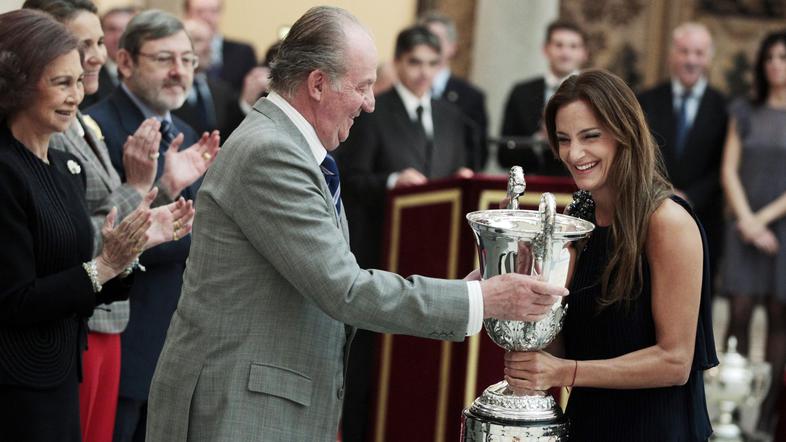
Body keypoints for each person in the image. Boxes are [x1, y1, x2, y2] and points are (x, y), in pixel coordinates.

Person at [146, 7, 570, 441]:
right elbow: (344, 289)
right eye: (363, 87)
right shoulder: (271, 152)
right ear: (317, 84)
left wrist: (471, 293)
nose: (370, 103)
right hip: (239, 410)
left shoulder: (289, 147)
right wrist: (478, 300)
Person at [503, 70, 718, 441]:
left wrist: (565, 372)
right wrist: (533, 291)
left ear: (624, 133)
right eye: (564, 139)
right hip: (586, 424)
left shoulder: (667, 222)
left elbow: (675, 361)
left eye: (590, 136)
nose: (574, 154)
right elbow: (564, 348)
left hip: (654, 431)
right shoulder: (577, 218)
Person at [21, 2, 197, 441]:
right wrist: (142, 188)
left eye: (100, 41)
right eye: (84, 44)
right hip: (78, 321)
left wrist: (158, 195)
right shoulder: (57, 130)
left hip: (110, 318)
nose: (97, 55)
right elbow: (77, 231)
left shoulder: (84, 124)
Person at [0, 9, 152, 441]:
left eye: (78, 82)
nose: (76, 95)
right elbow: (14, 300)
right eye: (61, 83)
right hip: (14, 385)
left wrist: (122, 258)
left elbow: (77, 277)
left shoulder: (68, 167)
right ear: (18, 85)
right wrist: (103, 266)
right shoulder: (6, 171)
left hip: (64, 369)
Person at [84, 9, 219, 441]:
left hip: (175, 341)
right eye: (164, 59)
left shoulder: (186, 130)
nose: (179, 71)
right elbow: (99, 238)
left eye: (187, 59)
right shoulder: (97, 128)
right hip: (121, 336)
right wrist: (165, 190)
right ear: (125, 62)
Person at [336, 24, 474, 440]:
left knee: (424, 367)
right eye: (415, 62)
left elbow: (455, 176)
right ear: (397, 63)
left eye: (432, 63)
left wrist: (461, 181)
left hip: (436, 256)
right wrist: (393, 181)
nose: (423, 72)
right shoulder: (374, 113)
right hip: (383, 251)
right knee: (371, 364)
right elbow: (351, 179)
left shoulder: (452, 118)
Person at [720, 31, 786, 437]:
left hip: (781, 229)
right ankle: (731, 414)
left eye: (783, 57)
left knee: (779, 318)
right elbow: (729, 169)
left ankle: (764, 420)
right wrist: (747, 221)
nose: (776, 64)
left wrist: (761, 220)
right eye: (770, 57)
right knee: (740, 313)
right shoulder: (744, 110)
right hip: (743, 227)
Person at [638, 22, 727, 292]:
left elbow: (724, 166)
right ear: (671, 55)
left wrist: (690, 196)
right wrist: (664, 192)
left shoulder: (725, 107)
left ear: (709, 58)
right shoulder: (646, 100)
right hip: (651, 213)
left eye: (698, 53)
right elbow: (639, 155)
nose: (691, 60)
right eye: (684, 51)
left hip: (704, 219)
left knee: (697, 296)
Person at [500, 20, 587, 174]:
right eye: (559, 45)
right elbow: (504, 155)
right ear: (545, 49)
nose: (565, 53)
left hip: (580, 183)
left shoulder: (594, 92)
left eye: (573, 46)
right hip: (533, 182)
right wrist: (538, 141)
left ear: (584, 53)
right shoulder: (521, 92)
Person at [419, 10, 488, 170]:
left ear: (452, 47)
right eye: (424, 38)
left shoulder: (471, 97)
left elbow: (478, 153)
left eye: (436, 39)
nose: (430, 45)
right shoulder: (403, 89)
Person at [174, 18, 245, 136]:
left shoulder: (221, 90)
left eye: (210, 41)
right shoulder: (167, 87)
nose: (208, 48)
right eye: (198, 40)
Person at [183, 0, 257, 92]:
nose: (207, 17)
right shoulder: (178, 52)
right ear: (186, 15)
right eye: (200, 11)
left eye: (213, 11)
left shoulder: (243, 53)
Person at [81, 6, 137, 109]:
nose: (118, 37)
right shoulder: (87, 74)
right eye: (112, 29)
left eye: (125, 30)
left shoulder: (145, 73)